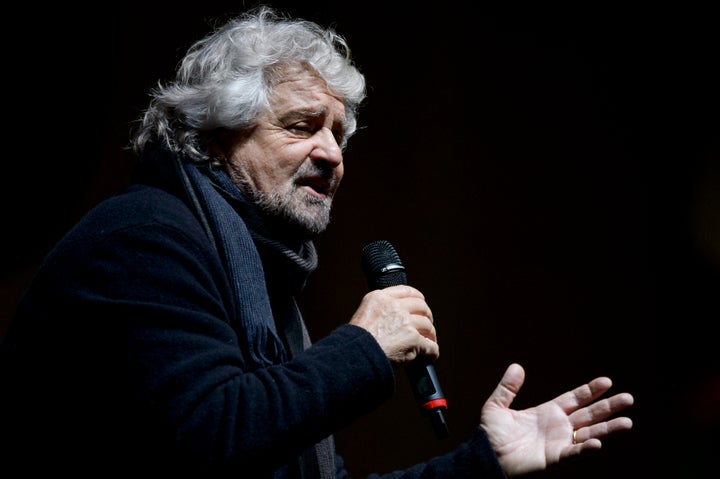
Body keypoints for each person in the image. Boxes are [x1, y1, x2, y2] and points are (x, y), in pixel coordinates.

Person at [0, 6, 634, 477]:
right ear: (220, 140)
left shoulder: (265, 282)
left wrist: (483, 463)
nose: (332, 154)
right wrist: (362, 347)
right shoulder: (144, 239)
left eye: (340, 135)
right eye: (302, 126)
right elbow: (211, 438)